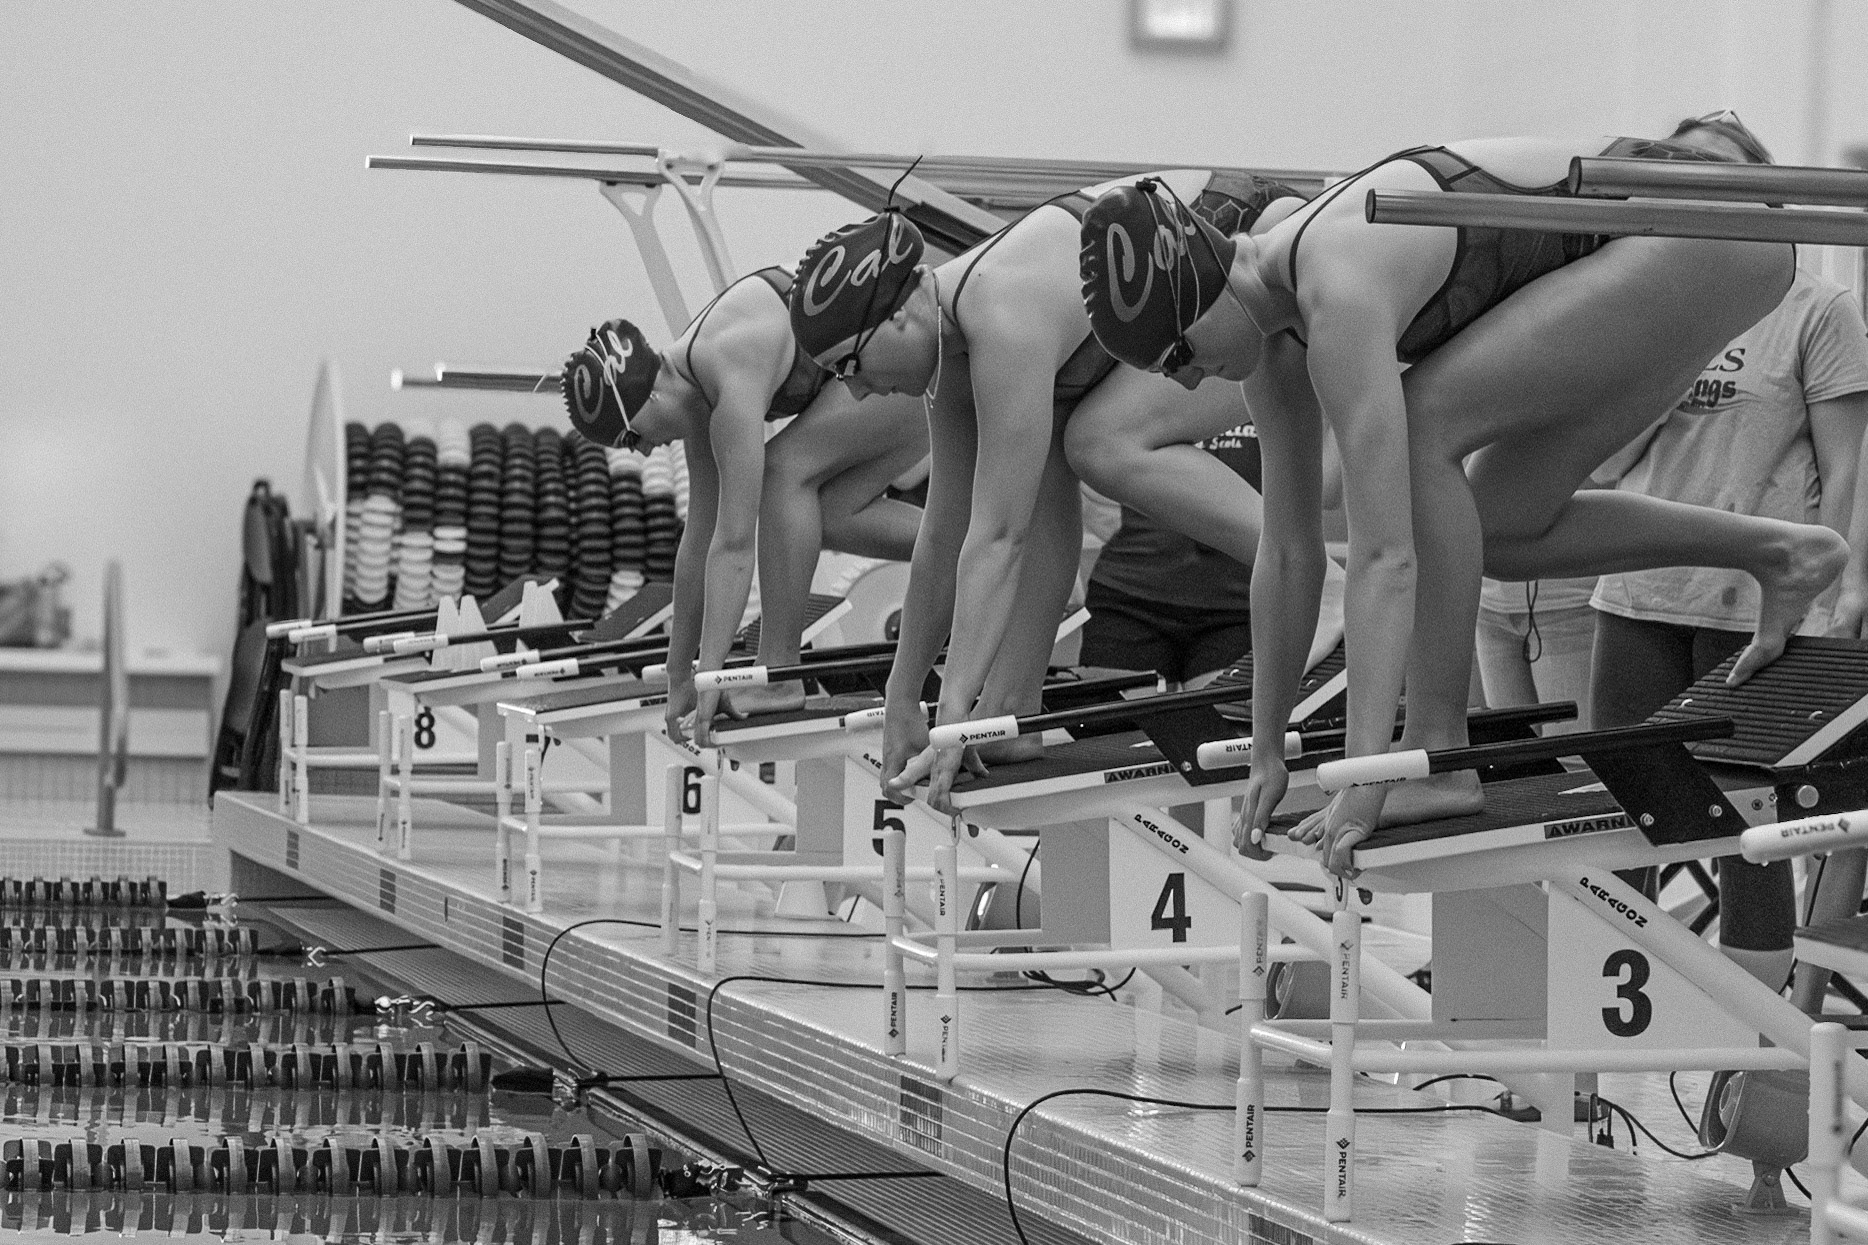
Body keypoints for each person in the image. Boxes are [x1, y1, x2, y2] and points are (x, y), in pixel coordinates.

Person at [1074, 132, 1849, 876]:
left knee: (1423, 423)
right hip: (1677, 245)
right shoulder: (1271, 333)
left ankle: (1438, 755)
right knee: (1498, 528)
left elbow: (1384, 557)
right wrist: (1269, 749)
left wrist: (1371, 772)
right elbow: (1285, 551)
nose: (1179, 382)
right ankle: (1781, 551)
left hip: (1704, 231)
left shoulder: (1332, 285)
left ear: (1205, 282)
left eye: (1174, 351)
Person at [786, 173, 1344, 811]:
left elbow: (1000, 539)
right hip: (1172, 301)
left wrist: (949, 717)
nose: (854, 393)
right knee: (1055, 460)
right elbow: (946, 537)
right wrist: (902, 698)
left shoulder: (999, 316)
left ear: (906, 310)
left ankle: (1321, 580)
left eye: (850, 365)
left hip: (1232, 297)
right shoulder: (952, 348)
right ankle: (1013, 705)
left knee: (1099, 444)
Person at [1580, 114, 1868, 991]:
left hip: (1756, 611)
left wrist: (1844, 588)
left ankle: (1754, 1045)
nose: (1698, 183)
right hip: (1638, 596)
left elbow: (1850, 463)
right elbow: (1596, 460)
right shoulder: (1644, 301)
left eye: (1719, 170)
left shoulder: (1817, 307)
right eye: (1684, 171)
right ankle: (1596, 1037)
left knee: (1751, 827)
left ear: (1762, 191)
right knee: (1616, 817)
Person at [561, 272, 928, 746]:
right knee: (827, 517)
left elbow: (735, 546)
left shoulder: (725, 364)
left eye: (632, 437)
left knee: (780, 477)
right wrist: (680, 674)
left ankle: (778, 674)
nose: (646, 452)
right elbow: (699, 542)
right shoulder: (695, 393)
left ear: (648, 395)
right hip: (884, 384)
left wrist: (711, 679)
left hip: (904, 366)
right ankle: (972, 554)